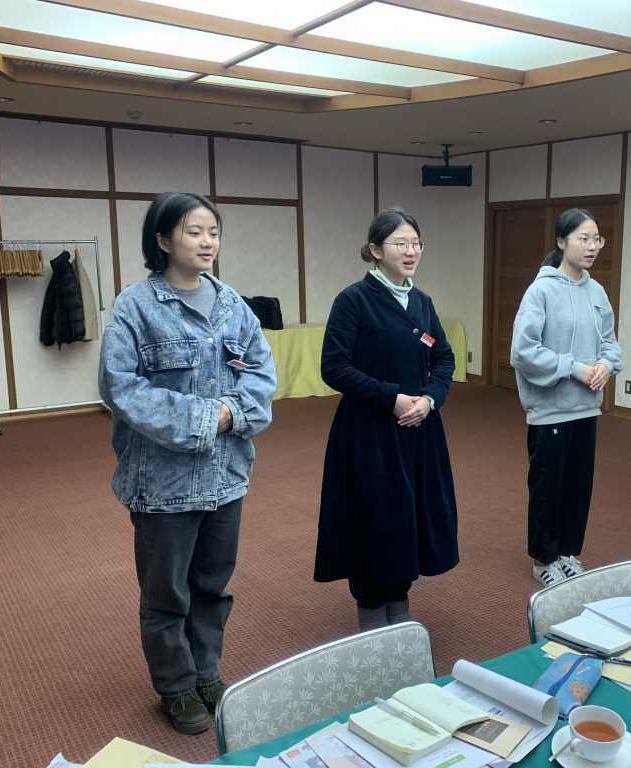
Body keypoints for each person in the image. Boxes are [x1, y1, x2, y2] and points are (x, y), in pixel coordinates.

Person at [98, 192, 276, 734]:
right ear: (163, 239)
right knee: (166, 594)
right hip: (163, 483)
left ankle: (206, 673)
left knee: (212, 587)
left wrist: (231, 413)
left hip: (226, 478)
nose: (207, 242)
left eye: (213, 232)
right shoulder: (135, 306)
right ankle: (176, 687)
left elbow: (262, 375)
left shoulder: (233, 305)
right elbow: (120, 388)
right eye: (194, 232)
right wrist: (207, 417)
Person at [315, 207, 458, 631]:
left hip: (419, 429)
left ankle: (399, 602)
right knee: (373, 519)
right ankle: (371, 612)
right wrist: (389, 397)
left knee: (409, 516)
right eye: (401, 243)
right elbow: (333, 367)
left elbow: (443, 357)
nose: (411, 251)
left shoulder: (422, 301)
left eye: (416, 243)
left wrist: (430, 399)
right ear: (375, 250)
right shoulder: (354, 300)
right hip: (370, 431)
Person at [510, 207, 623, 587]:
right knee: (548, 488)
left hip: (586, 408)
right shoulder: (541, 291)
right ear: (561, 242)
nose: (592, 246)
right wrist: (574, 367)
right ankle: (544, 558)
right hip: (550, 411)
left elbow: (610, 343)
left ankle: (567, 553)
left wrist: (606, 365)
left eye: (597, 239)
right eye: (583, 238)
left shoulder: (597, 291)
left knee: (578, 486)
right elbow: (523, 351)